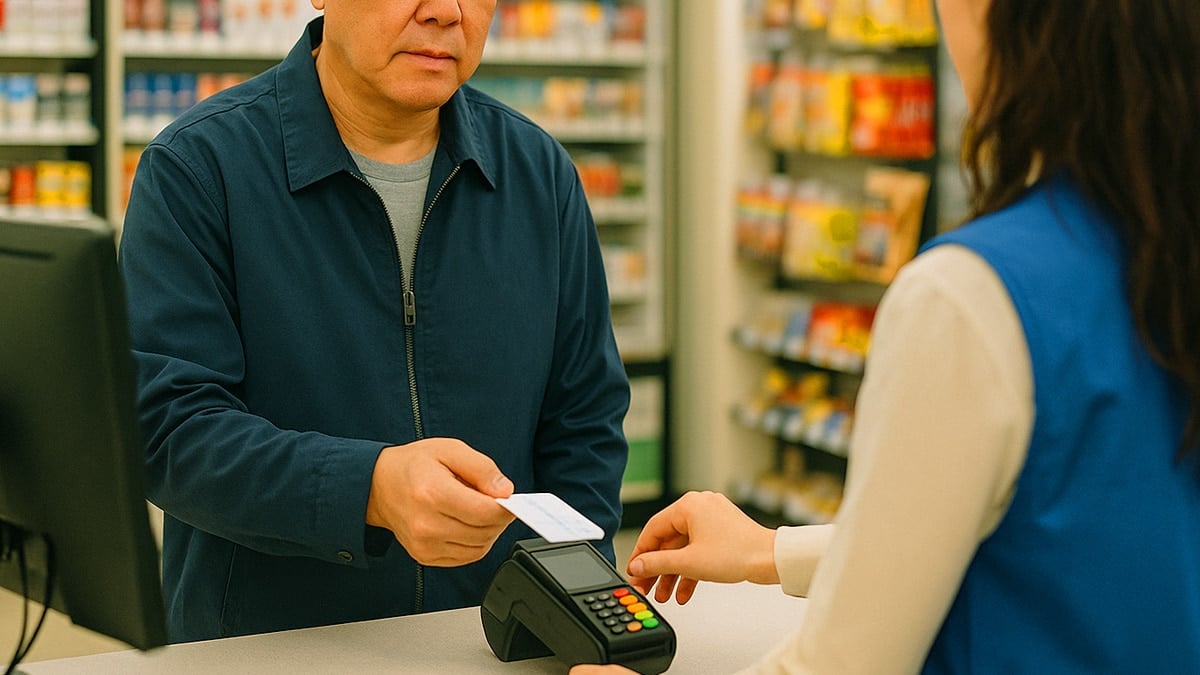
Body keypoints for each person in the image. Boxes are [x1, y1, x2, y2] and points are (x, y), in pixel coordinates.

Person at [575, 0, 1200, 673]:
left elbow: (846, 664)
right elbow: (1070, 540)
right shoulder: (1164, 250)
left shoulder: (969, 296)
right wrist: (770, 550)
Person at [119, 0, 630, 643]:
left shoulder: (538, 173)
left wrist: (574, 603)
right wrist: (369, 489)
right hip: (270, 648)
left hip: (490, 643)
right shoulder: (198, 170)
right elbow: (167, 429)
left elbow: (584, 419)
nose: (446, 11)